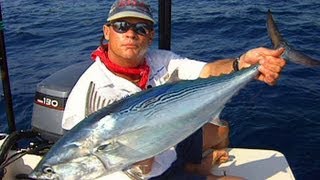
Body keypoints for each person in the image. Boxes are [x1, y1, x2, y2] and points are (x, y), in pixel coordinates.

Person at [62, 0, 286, 179]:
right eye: (122, 26)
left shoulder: (161, 60)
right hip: (145, 172)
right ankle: (193, 171)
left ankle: (193, 167)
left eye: (141, 28)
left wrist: (241, 64)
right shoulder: (88, 92)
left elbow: (208, 71)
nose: (131, 34)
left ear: (150, 35)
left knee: (221, 130)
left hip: (170, 139)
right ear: (107, 31)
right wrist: (140, 165)